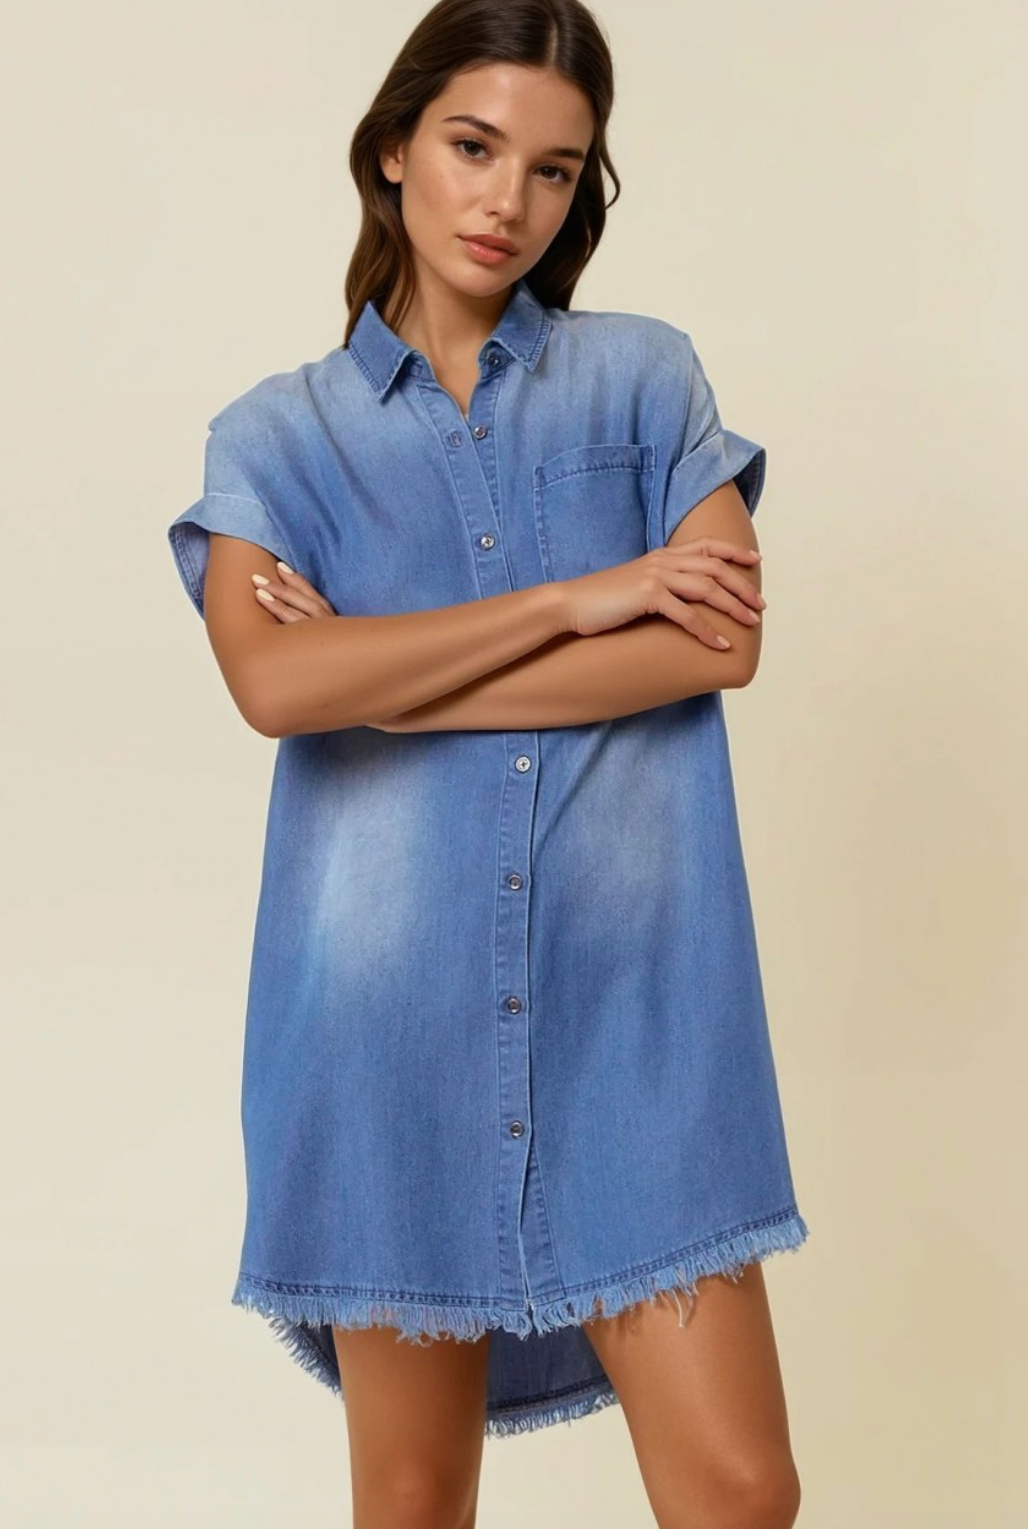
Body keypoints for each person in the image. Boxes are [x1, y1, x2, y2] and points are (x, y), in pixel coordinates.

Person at [167, 0, 810, 1523]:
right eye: (472, 146)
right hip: (382, 1041)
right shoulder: (276, 441)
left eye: (552, 169)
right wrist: (574, 599)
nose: (506, 201)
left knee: (740, 1491)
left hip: (644, 1029)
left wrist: (388, 685)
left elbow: (720, 642)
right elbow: (273, 684)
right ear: (393, 151)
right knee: (409, 1498)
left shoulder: (645, 383)